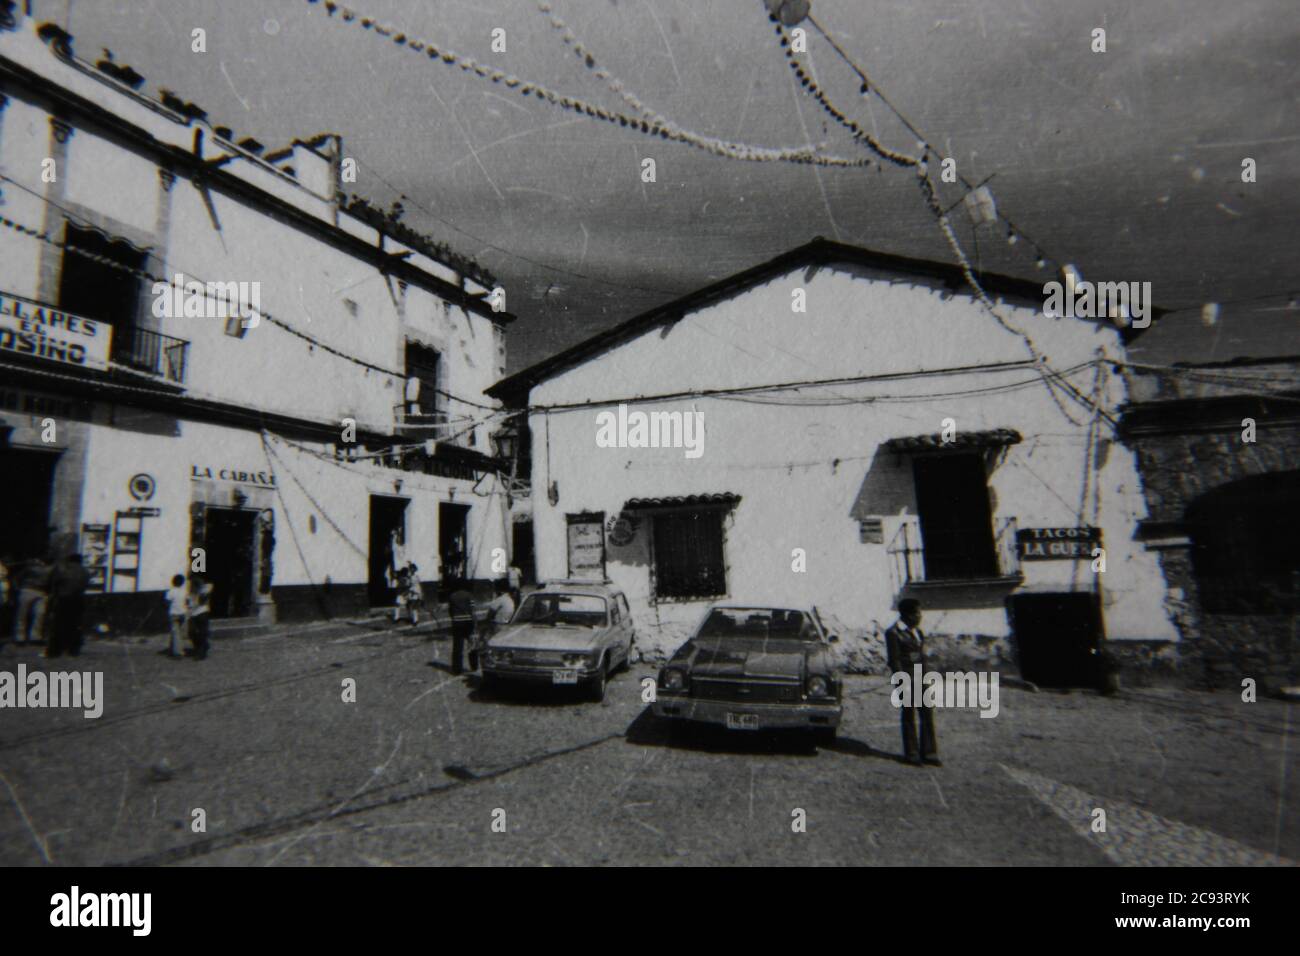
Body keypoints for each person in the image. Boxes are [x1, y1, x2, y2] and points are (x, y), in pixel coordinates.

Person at [885, 598, 940, 767]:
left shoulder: (918, 632)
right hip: (906, 680)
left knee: (927, 713)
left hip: (921, 678)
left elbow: (920, 657)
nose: (920, 616)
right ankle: (912, 753)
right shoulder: (893, 633)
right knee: (909, 715)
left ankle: (929, 752)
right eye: (917, 613)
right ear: (907, 615)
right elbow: (894, 661)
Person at [46, 552, 90, 658]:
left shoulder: (63, 569)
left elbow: (53, 583)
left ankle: (54, 651)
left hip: (63, 598)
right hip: (78, 599)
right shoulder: (85, 571)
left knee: (58, 624)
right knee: (75, 625)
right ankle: (73, 650)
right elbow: (85, 585)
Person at [473, 579, 516, 670]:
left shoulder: (500, 600)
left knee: (489, 645)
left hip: (498, 625)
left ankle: (491, 665)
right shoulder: (510, 600)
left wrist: (484, 625)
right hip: (507, 625)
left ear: (498, 589)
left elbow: (490, 614)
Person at [15, 554, 52, 645]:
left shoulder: (35, 568)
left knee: (36, 614)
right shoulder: (32, 568)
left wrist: (18, 588)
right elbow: (18, 578)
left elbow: (17, 578)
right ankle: (23, 637)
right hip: (31, 589)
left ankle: (30, 637)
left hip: (36, 591)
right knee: (29, 614)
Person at [447, 579, 475, 676]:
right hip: (468, 621)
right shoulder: (469, 595)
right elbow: (472, 610)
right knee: (471, 643)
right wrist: (474, 622)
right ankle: (474, 665)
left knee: (457, 646)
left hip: (457, 622)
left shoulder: (452, 596)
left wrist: (453, 618)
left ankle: (457, 669)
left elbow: (450, 610)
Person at [188, 575, 213, 660]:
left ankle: (201, 652)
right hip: (193, 614)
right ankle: (201, 647)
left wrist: (200, 592)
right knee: (192, 632)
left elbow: (203, 599)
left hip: (202, 613)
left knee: (202, 633)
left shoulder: (204, 590)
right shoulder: (190, 592)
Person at [164, 574, 188, 659]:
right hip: (183, 613)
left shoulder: (171, 592)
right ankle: (172, 648)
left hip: (174, 613)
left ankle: (178, 652)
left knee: (175, 633)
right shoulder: (184, 591)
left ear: (173, 582)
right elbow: (187, 601)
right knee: (177, 632)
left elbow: (167, 603)